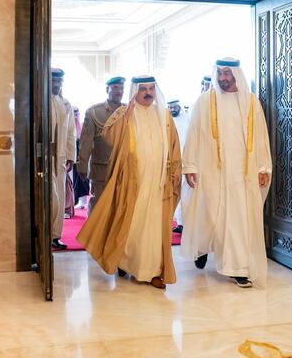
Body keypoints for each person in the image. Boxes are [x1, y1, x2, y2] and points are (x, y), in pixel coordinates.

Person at [78, 75, 181, 290]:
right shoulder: (124, 113)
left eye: (151, 89)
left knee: (153, 228)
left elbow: (174, 146)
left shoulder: (164, 115)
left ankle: (152, 271)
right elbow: (108, 137)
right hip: (133, 181)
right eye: (143, 89)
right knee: (132, 225)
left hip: (158, 182)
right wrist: (127, 116)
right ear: (135, 91)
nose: (148, 93)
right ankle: (126, 262)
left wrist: (176, 171)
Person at [181, 58, 272, 288]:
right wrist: (190, 166)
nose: (222, 78)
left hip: (242, 174)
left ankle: (238, 268)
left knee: (237, 220)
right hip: (212, 169)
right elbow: (194, 134)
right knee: (210, 214)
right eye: (219, 73)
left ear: (235, 74)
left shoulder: (251, 102)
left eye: (226, 74)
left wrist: (263, 167)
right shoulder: (205, 101)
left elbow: (261, 137)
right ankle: (202, 247)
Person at [78, 76, 125, 212]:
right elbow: (86, 141)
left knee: (120, 205)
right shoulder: (94, 112)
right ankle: (94, 233)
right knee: (99, 204)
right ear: (107, 89)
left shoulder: (129, 111)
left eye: (121, 88)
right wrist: (82, 165)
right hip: (101, 168)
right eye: (115, 87)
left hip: (123, 167)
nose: (119, 91)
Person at [50, 68, 76, 249]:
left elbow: (70, 133)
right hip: (43, 159)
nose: (57, 85)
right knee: (52, 199)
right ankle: (42, 234)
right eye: (54, 81)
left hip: (59, 159)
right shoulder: (40, 102)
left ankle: (54, 236)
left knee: (59, 197)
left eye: (60, 82)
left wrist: (70, 156)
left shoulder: (65, 104)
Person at [168, 99, 189, 233]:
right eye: (170, 106)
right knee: (174, 191)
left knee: (185, 192)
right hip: (171, 162)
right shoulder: (167, 120)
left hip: (185, 161)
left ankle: (184, 222)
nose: (172, 109)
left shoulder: (187, 120)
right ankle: (178, 221)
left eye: (174, 106)